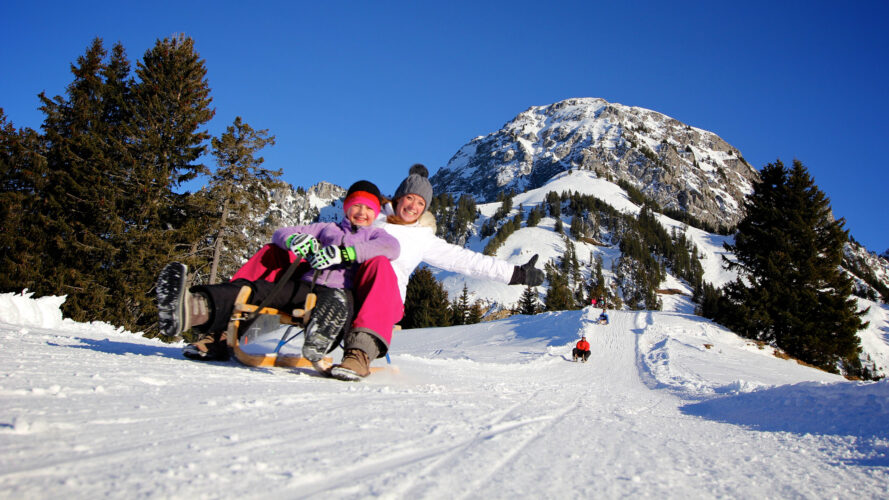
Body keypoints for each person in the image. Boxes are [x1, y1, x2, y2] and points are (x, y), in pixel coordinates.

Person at [156, 180, 400, 371]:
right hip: (306, 285)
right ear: (347, 207)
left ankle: (321, 337)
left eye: (369, 208)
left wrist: (345, 254)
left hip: (343, 292)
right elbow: (282, 233)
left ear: (376, 212)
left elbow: (391, 249)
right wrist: (296, 240)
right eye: (356, 205)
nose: (362, 212)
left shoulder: (375, 236)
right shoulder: (326, 228)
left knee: (334, 304)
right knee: (259, 291)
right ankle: (195, 308)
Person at [333, 164, 545, 380]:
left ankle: (358, 354)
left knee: (380, 263)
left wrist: (517, 274)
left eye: (420, 203)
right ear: (398, 198)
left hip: (387, 299)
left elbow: (467, 260)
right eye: (409, 198)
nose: (413, 206)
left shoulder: (422, 238)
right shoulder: (371, 216)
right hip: (348, 287)